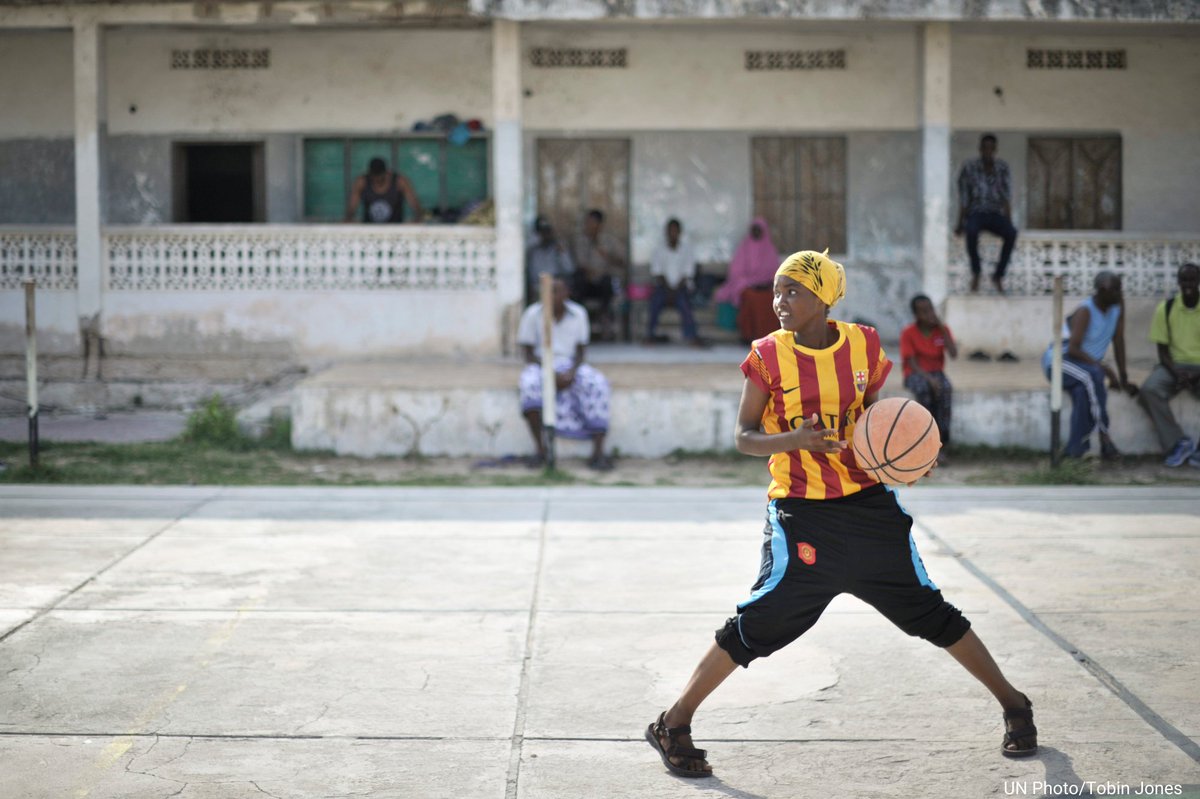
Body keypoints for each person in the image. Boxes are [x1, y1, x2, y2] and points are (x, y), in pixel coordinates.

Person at [645, 250, 1037, 779]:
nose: (780, 301)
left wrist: (910, 458)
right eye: (778, 291)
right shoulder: (767, 355)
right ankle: (674, 722)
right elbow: (743, 437)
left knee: (931, 612)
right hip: (801, 512)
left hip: (869, 505)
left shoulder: (862, 344)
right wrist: (795, 439)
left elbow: (879, 420)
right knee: (758, 622)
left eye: (793, 292)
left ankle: (1016, 706)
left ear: (824, 297)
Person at [517, 277, 613, 471]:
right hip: (541, 363)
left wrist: (571, 372)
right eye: (549, 291)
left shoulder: (578, 314)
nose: (552, 295)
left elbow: (581, 350)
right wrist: (549, 371)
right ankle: (541, 450)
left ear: (566, 293)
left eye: (557, 291)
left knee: (598, 384)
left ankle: (599, 452)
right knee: (529, 385)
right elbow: (527, 352)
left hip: (570, 363)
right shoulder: (533, 314)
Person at [1042, 271, 1139, 460]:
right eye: (1116, 290)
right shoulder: (1085, 310)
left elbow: (1118, 340)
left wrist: (1124, 377)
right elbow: (1073, 349)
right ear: (1102, 291)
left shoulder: (1117, 306)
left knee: (1083, 392)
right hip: (1059, 362)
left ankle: (1074, 451)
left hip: (1084, 365)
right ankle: (1105, 438)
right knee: (1093, 376)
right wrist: (1108, 371)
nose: (1120, 294)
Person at [1137, 262, 1200, 467]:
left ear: (1198, 281)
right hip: (1174, 366)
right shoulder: (1166, 308)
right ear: (1178, 282)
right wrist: (1178, 374)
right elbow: (1162, 351)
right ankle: (1178, 443)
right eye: (1184, 280)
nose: (1188, 284)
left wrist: (1195, 376)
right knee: (1149, 389)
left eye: (1192, 279)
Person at [900, 294, 958, 465]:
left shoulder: (942, 330)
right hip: (915, 373)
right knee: (924, 392)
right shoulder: (908, 333)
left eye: (930, 309)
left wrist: (942, 328)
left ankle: (942, 443)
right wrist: (930, 380)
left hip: (936, 372)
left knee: (946, 390)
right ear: (916, 315)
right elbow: (911, 362)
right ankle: (925, 442)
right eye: (924, 311)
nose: (929, 314)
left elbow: (954, 354)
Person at [955, 134, 1017, 294]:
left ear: (995, 149)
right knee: (971, 231)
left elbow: (1006, 197)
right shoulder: (969, 167)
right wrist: (960, 223)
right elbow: (964, 198)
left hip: (996, 214)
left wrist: (1009, 221)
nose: (988, 151)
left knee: (1011, 233)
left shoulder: (1002, 168)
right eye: (985, 148)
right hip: (976, 212)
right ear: (980, 149)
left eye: (991, 148)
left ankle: (998, 275)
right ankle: (976, 272)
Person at [714, 217, 780, 342]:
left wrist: (765, 283)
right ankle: (749, 335)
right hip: (748, 286)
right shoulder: (744, 248)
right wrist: (750, 282)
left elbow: (775, 272)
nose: (756, 232)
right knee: (749, 297)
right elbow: (735, 272)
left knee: (770, 298)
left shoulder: (769, 249)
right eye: (753, 230)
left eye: (758, 230)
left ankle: (769, 337)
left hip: (765, 287)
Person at [647, 218, 704, 347]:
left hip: (681, 288)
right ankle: (650, 335)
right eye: (670, 231)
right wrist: (669, 290)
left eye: (675, 231)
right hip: (663, 288)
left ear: (679, 232)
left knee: (685, 304)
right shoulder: (659, 250)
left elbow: (687, 274)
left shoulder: (687, 250)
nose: (672, 233)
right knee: (654, 302)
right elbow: (657, 273)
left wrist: (675, 290)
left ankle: (691, 337)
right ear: (666, 232)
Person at [571, 209, 625, 341]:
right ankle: (578, 323)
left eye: (592, 222)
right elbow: (579, 263)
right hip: (587, 281)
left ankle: (605, 318)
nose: (588, 225)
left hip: (603, 281)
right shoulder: (581, 240)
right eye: (587, 222)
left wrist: (606, 256)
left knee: (608, 283)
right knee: (577, 282)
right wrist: (589, 273)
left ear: (600, 224)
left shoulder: (609, 240)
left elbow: (622, 262)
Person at [345, 158, 424, 223]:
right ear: (370, 174)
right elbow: (353, 205)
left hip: (395, 227)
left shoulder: (399, 182)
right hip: (369, 227)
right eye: (374, 178)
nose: (377, 180)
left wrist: (418, 218)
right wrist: (348, 219)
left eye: (380, 178)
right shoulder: (362, 182)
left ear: (387, 173)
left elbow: (413, 202)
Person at [525, 216, 574, 305]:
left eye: (547, 232)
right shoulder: (533, 250)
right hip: (537, 286)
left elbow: (569, 269)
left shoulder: (558, 249)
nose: (545, 235)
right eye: (542, 232)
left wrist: (562, 253)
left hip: (556, 284)